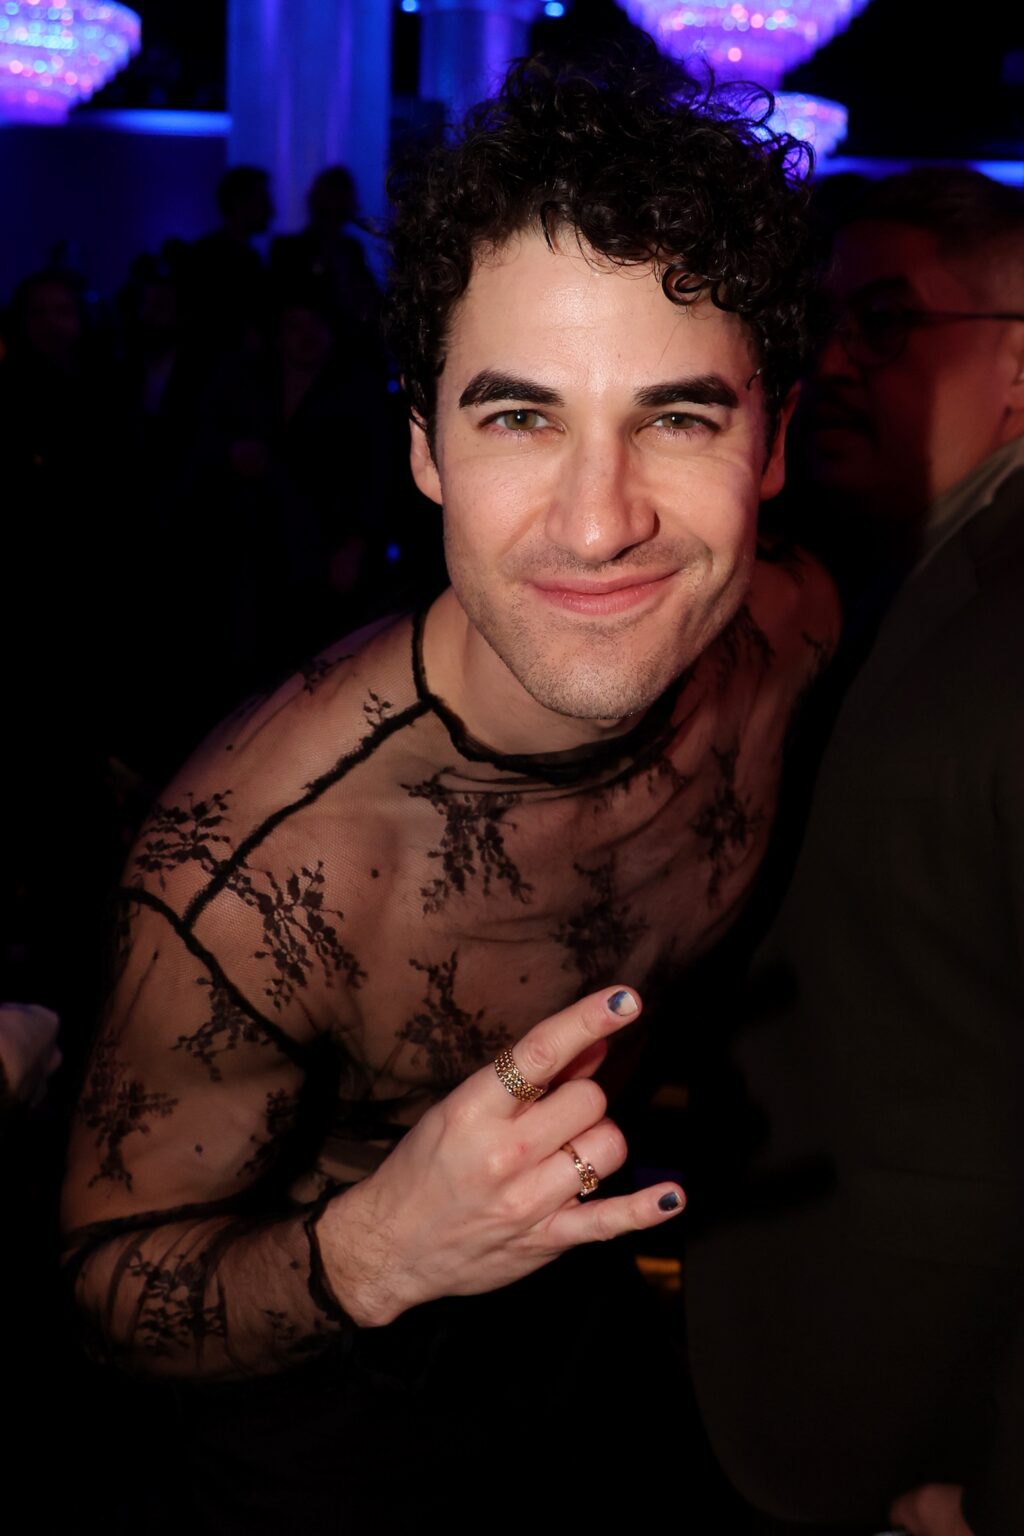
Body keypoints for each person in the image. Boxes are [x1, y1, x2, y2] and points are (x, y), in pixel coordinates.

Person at [61, 44, 835, 1532]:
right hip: (322, 1435)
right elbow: (105, 1286)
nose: (599, 524)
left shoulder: (792, 637)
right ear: (424, 450)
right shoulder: (258, 878)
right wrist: (377, 1250)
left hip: (600, 1356)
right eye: (518, 416)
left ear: (774, 442)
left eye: (678, 417)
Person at [685, 167, 1024, 1536]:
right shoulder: (867, 571)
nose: (830, 363)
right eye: (819, 325)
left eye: (885, 323)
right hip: (815, 1348)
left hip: (931, 1415)